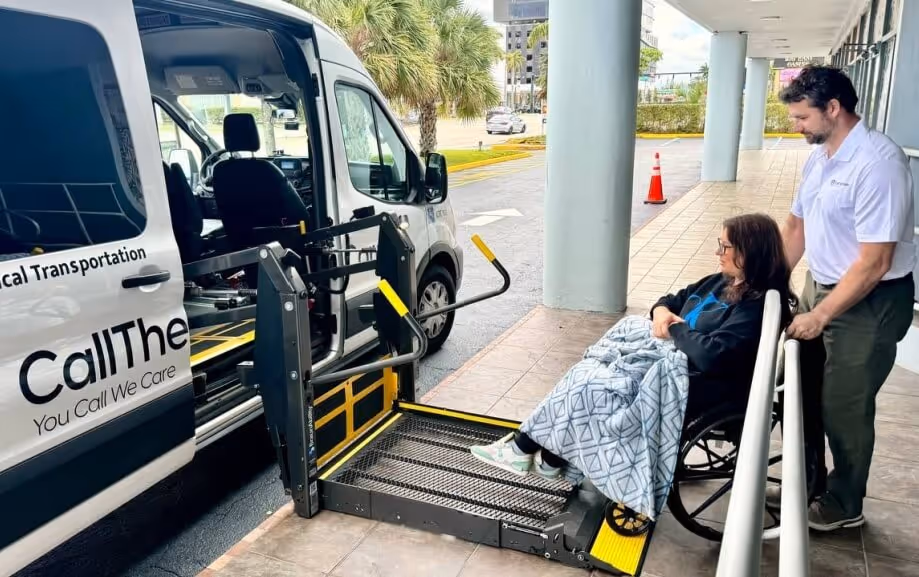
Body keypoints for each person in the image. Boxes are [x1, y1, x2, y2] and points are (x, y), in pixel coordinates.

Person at [469, 213, 796, 482]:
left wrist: (674, 328)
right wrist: (661, 313)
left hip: (693, 384)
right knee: (585, 373)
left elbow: (713, 355)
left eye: (724, 246)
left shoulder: (754, 306)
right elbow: (670, 300)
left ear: (748, 251)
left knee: (591, 387)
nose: (718, 252)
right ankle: (550, 456)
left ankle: (524, 449)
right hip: (672, 361)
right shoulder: (721, 281)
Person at [776, 65, 916, 532]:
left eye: (801, 118)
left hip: (870, 301)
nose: (796, 127)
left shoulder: (879, 165)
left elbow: (875, 263)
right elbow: (797, 226)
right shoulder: (820, 155)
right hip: (823, 282)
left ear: (833, 108)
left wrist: (821, 315)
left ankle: (845, 501)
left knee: (845, 404)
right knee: (803, 387)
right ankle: (811, 478)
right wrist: (773, 280)